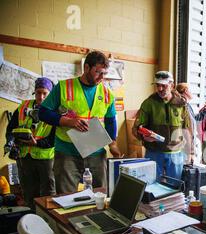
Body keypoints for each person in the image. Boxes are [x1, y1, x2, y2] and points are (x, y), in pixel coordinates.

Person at [39, 51, 122, 194]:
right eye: (98, 72)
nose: (102, 78)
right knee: (66, 197)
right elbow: (43, 113)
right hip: (67, 154)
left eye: (105, 73)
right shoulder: (64, 87)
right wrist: (68, 122)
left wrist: (113, 144)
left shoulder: (107, 94)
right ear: (87, 68)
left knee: (100, 196)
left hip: (96, 153)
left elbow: (110, 121)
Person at [5, 77, 56, 209]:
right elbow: (11, 128)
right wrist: (10, 142)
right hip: (24, 158)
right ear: (34, 92)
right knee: (28, 192)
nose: (41, 97)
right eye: (38, 93)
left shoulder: (55, 111)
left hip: (45, 159)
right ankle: (31, 220)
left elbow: (54, 139)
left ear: (50, 93)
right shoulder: (24, 107)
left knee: (48, 193)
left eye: (45, 93)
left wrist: (36, 143)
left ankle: (47, 221)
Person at [132, 71, 191, 180]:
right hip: (154, 153)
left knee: (174, 187)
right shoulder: (148, 103)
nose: (159, 89)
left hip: (176, 154)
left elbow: (186, 129)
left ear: (172, 85)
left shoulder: (181, 104)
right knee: (153, 186)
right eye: (157, 85)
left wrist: (190, 152)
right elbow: (136, 128)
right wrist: (143, 136)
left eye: (163, 85)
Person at [176, 83, 197, 164]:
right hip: (184, 147)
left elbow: (192, 122)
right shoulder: (181, 105)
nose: (192, 92)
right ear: (186, 91)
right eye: (190, 90)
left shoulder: (188, 106)